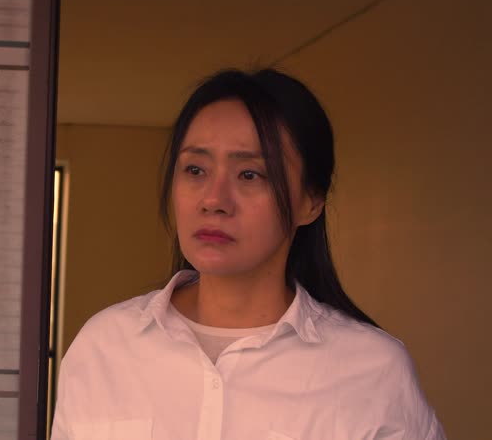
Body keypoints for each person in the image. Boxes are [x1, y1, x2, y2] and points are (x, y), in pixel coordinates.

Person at [49, 69, 446, 440]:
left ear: (311, 201)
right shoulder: (104, 347)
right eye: (195, 170)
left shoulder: (372, 372)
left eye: (250, 175)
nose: (214, 200)